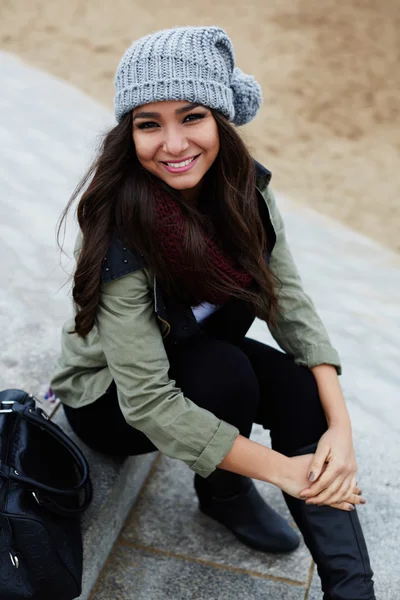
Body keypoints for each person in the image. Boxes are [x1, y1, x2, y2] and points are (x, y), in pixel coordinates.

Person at [50, 26, 375, 599]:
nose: (173, 144)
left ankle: (353, 590)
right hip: (109, 398)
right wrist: (284, 472)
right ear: (130, 134)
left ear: (220, 120)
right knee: (226, 372)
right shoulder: (119, 223)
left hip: (195, 348)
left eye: (191, 117)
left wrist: (341, 429)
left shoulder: (244, 187)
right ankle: (225, 494)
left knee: (301, 391)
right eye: (149, 124)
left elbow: (289, 297)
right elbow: (147, 399)